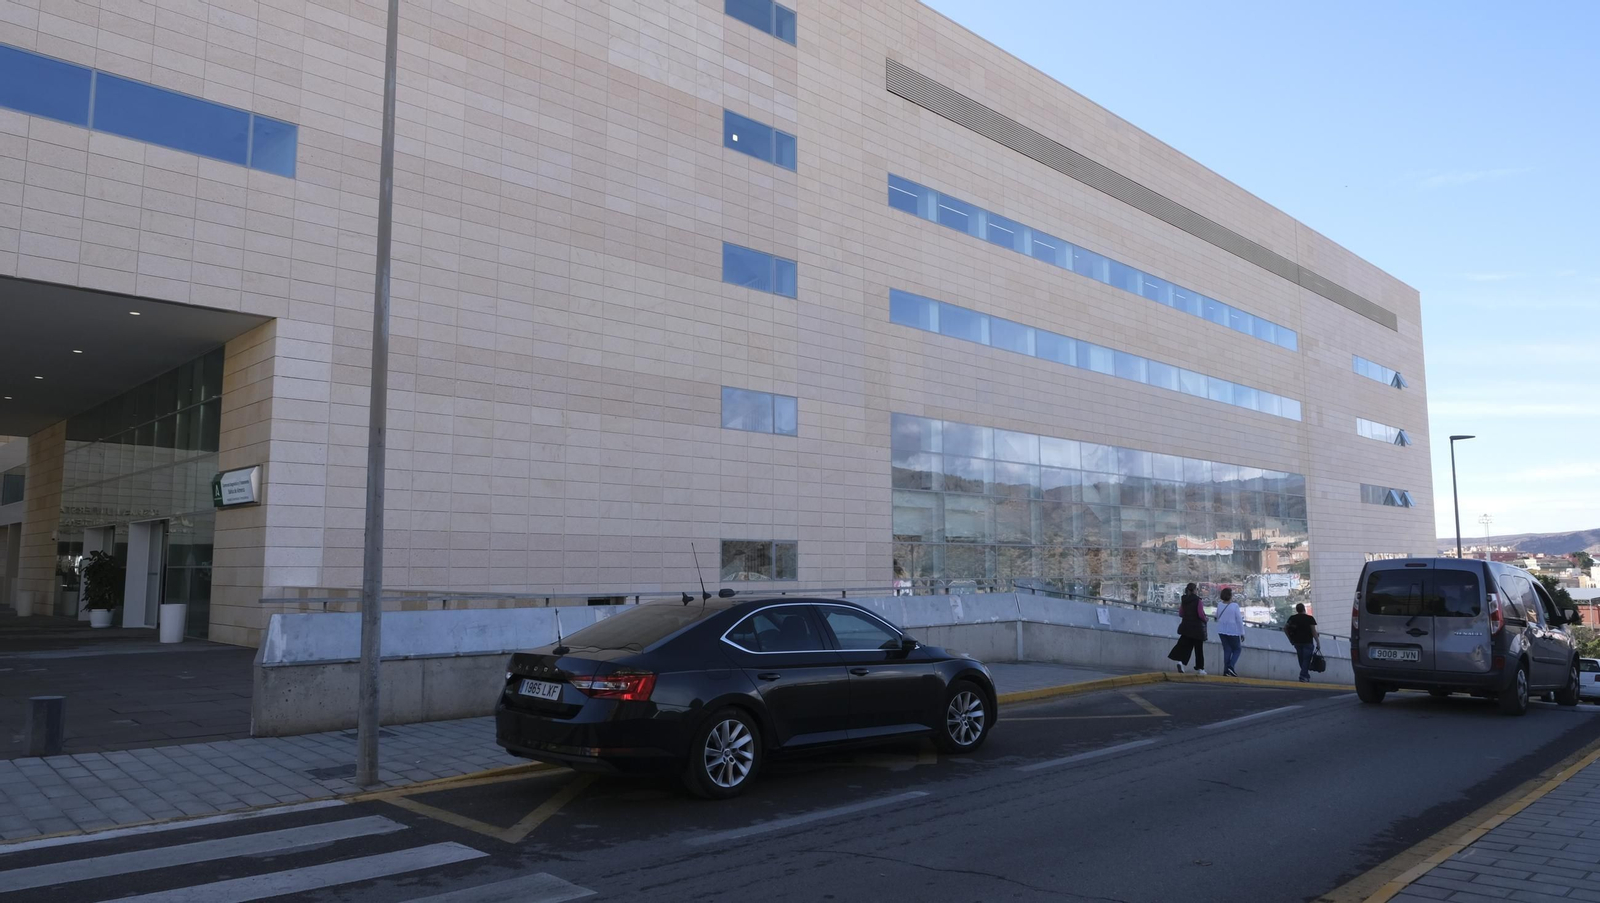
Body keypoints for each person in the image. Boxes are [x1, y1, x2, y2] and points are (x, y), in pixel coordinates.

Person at [1167, 583, 1208, 674]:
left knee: (1186, 647)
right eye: (1196, 589)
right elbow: (1200, 614)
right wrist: (1206, 619)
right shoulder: (1198, 601)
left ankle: (1181, 662)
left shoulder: (1184, 600)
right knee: (1198, 649)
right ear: (1194, 590)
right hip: (1197, 629)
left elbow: (1181, 613)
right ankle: (1200, 669)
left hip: (1186, 627)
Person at [1284, 602, 1319, 682]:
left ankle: (1306, 676)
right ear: (1304, 609)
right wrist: (1318, 642)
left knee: (1301, 660)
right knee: (1306, 660)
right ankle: (1303, 675)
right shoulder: (1310, 619)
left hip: (1297, 642)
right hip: (1308, 642)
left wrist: (1290, 639)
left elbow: (1285, 628)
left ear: (1297, 610)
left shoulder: (1292, 618)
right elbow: (1314, 632)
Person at [1215, 587, 1244, 677]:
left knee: (1227, 650)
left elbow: (1216, 616)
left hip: (1221, 630)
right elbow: (1239, 620)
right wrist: (1242, 632)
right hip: (1232, 631)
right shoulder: (1234, 606)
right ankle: (1231, 667)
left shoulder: (1219, 605)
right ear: (1230, 596)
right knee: (1237, 649)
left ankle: (1226, 671)